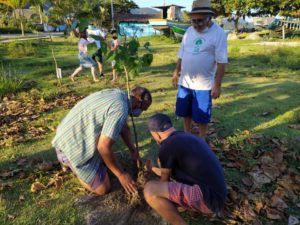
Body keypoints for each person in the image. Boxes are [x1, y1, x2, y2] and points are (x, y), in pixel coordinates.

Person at [52, 87, 152, 195]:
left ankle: (83, 160)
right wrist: (121, 175)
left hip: (68, 131)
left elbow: (124, 127)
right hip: (70, 144)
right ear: (138, 101)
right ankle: (70, 162)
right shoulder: (120, 109)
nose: (141, 112)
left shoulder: (119, 94)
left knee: (111, 159)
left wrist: (133, 151)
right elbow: (103, 147)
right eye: (143, 108)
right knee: (103, 188)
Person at [144, 113, 227, 225]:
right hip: (217, 194)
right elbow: (170, 172)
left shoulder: (166, 145)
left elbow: (164, 182)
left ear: (156, 135)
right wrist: (152, 168)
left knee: (150, 190)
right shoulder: (186, 136)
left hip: (209, 200)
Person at [172, 0, 228, 138]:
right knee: (185, 111)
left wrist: (217, 85)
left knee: (202, 116)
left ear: (209, 18)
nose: (196, 24)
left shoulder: (218, 33)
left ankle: (201, 140)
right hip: (185, 82)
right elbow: (181, 53)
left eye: (200, 21)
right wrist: (175, 72)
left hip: (204, 85)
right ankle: (187, 134)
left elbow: (222, 61)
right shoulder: (189, 31)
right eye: (194, 21)